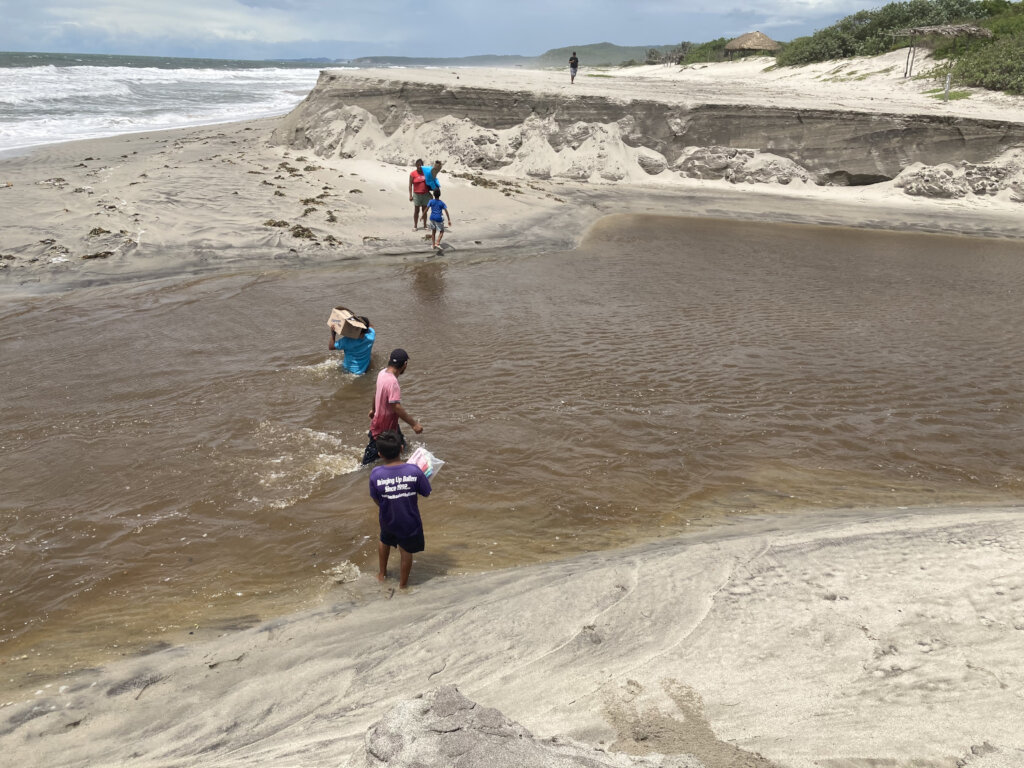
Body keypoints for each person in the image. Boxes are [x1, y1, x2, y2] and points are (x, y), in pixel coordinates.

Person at [369, 430, 431, 588]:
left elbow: (376, 498)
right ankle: (403, 585)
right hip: (409, 520)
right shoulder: (414, 471)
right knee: (406, 551)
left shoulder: (375, 474)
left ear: (380, 454)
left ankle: (382, 574)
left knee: (384, 540)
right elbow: (426, 492)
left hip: (387, 519)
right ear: (402, 449)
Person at [362, 348, 423, 465]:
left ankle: (405, 463)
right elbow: (396, 407)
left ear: (389, 360)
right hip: (383, 428)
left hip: (389, 423)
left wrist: (373, 409)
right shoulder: (393, 382)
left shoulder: (382, 373)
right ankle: (359, 473)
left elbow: (376, 392)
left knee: (402, 447)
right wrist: (414, 424)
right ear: (405, 365)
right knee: (368, 462)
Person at [408, 159, 431, 231]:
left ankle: (425, 225)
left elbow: (429, 184)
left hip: (425, 194)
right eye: (418, 165)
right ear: (416, 165)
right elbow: (410, 185)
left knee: (424, 211)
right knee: (416, 211)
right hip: (417, 195)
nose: (419, 166)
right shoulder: (413, 174)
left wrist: (431, 193)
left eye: (421, 165)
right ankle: (415, 226)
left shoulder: (426, 173)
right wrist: (410, 195)